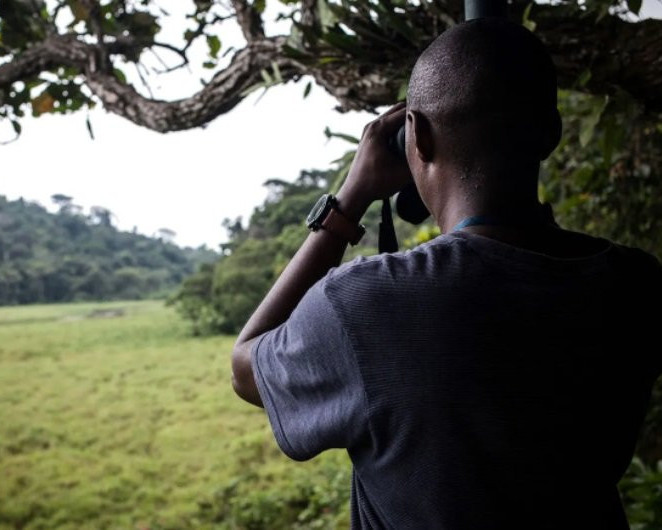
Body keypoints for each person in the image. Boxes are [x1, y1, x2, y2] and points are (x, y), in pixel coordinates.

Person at [230, 18, 662, 529]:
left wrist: (348, 202)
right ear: (552, 132)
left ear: (418, 136)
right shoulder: (637, 284)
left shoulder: (369, 304)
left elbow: (246, 365)